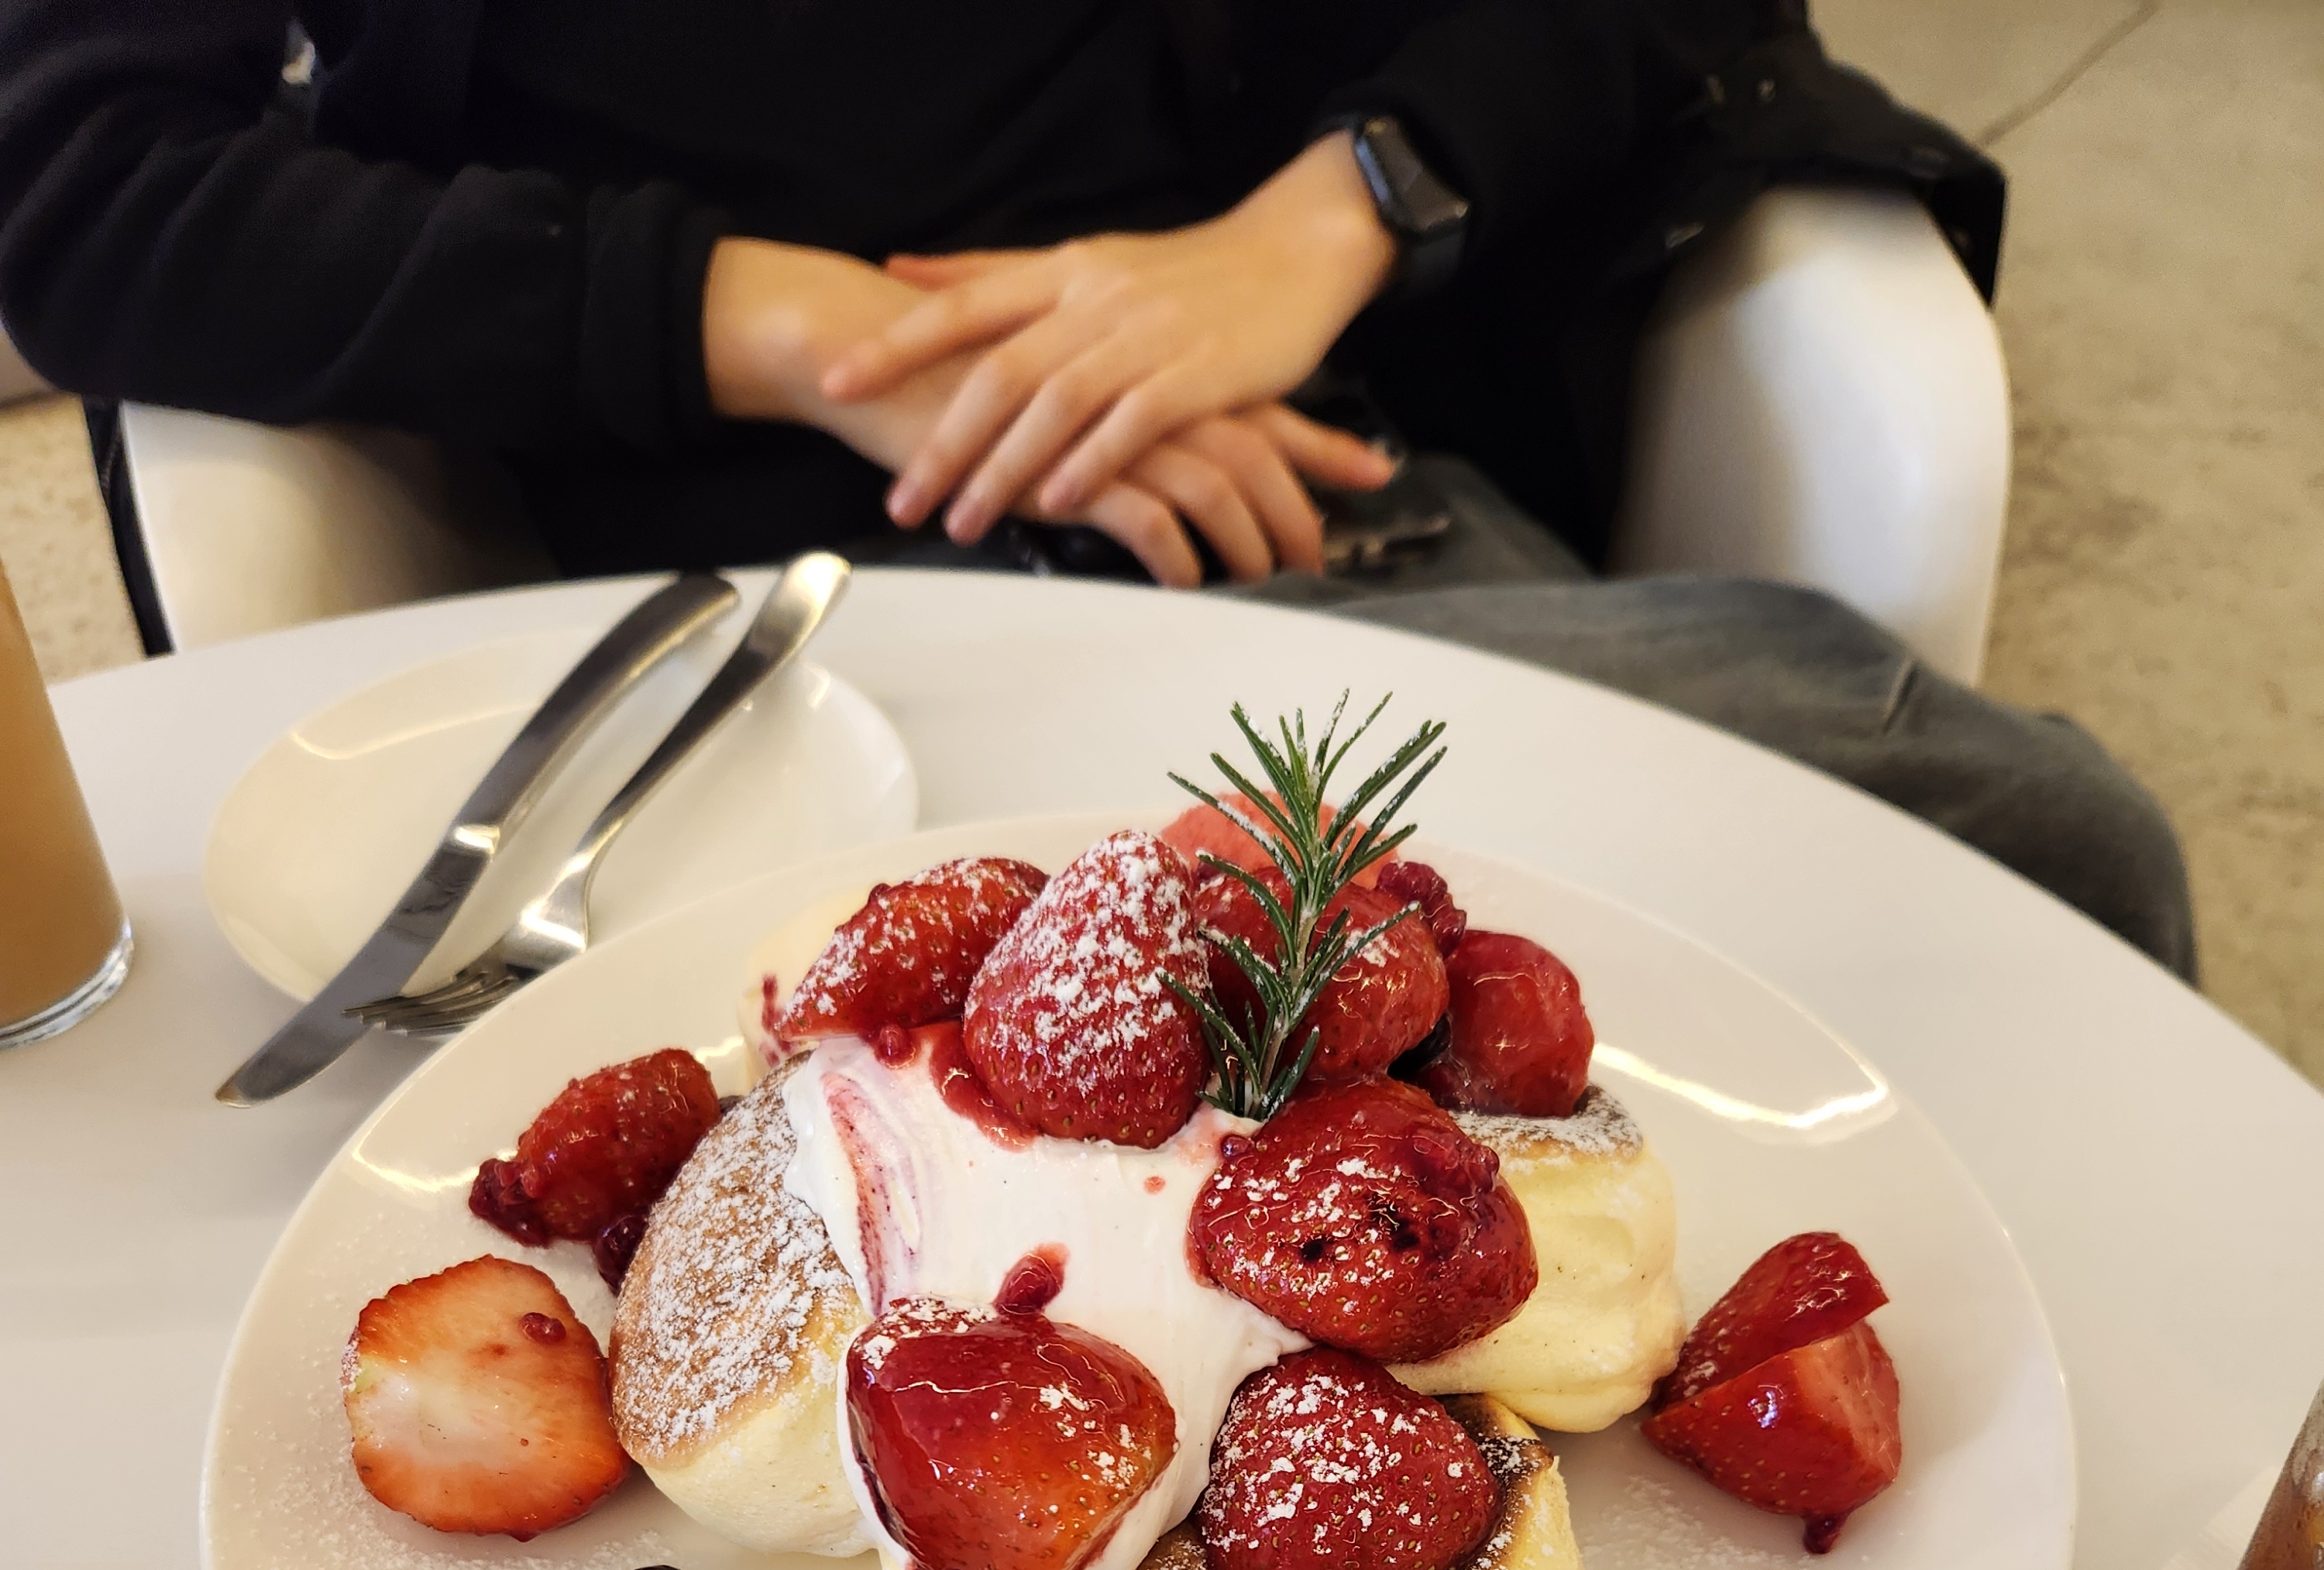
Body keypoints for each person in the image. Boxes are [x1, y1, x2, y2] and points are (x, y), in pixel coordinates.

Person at [0, 0, 2194, 971]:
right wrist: (808, 329)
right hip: (746, 627)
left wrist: (1331, 215)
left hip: (1290, 483)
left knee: (2020, 860)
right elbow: (76, 184)